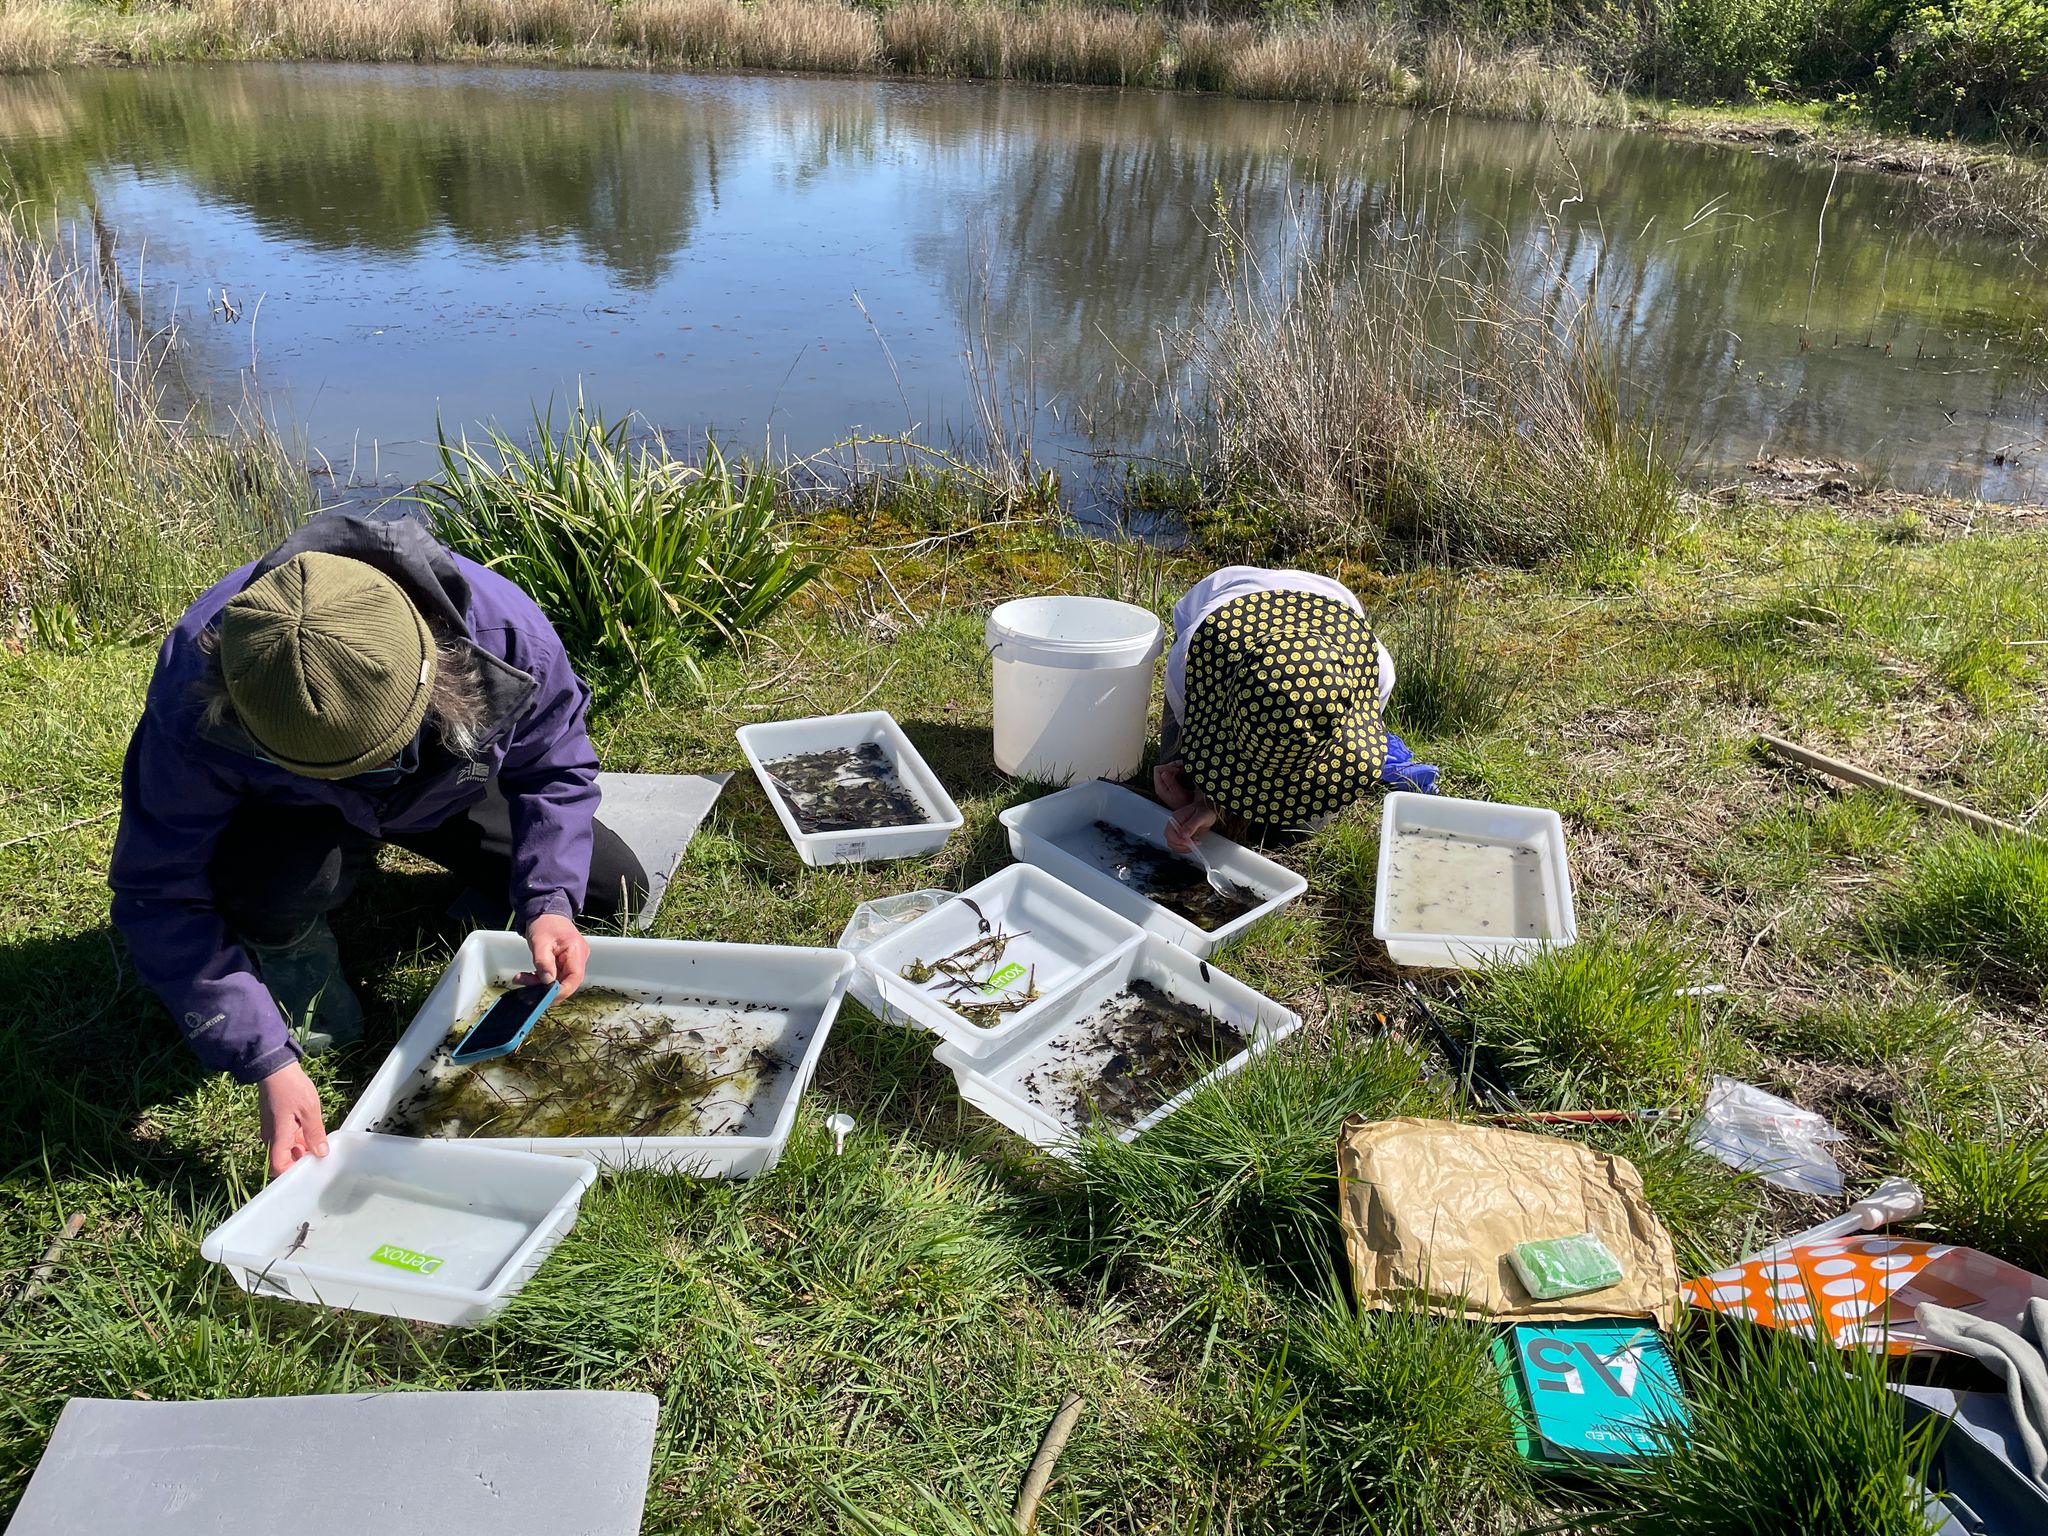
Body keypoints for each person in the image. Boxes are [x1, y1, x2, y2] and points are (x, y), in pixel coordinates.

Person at [109, 513, 647, 1176]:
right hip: (290, 811)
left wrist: (549, 901)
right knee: (265, 884)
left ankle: (483, 891)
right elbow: (158, 888)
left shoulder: (505, 634)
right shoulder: (196, 682)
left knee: (611, 886)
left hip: (451, 772)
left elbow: (555, 768)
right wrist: (265, 1060)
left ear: (436, 667)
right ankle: (287, 942)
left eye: (372, 753)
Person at [1153, 566, 1437, 852]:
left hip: (1329, 616)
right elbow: (1203, 741)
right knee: (1173, 779)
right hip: (1221, 610)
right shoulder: (1193, 664)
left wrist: (1220, 804)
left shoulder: (1375, 673)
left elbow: (1358, 732)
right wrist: (1204, 798)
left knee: (1295, 829)